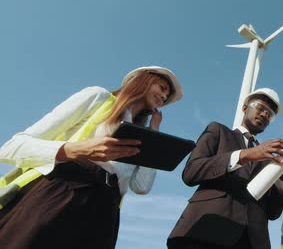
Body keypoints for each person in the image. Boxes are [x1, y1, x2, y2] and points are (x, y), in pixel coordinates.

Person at [0, 66, 183, 249]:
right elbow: (11, 147)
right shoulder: (98, 97)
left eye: (167, 96)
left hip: (106, 213)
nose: (164, 97)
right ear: (143, 80)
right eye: (162, 88)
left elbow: (141, 187)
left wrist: (153, 133)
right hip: (63, 190)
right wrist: (74, 149)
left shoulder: (140, 134)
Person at [168, 88, 283, 249]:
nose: (264, 115)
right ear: (245, 107)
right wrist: (246, 155)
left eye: (269, 114)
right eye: (261, 108)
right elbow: (191, 172)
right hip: (205, 232)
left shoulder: (268, 158)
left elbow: (273, 212)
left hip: (252, 241)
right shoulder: (218, 131)